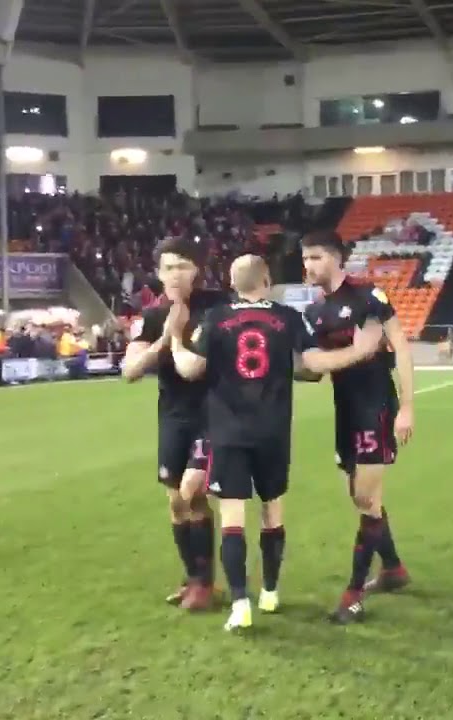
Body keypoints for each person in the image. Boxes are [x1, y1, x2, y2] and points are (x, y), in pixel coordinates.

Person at [170, 254, 384, 631]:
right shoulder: (288, 317)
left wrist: (174, 340)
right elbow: (313, 364)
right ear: (266, 280)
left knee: (232, 517)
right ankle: (270, 591)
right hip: (273, 430)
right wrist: (361, 351)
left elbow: (191, 369)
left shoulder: (216, 318)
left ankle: (240, 603)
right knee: (272, 512)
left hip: (228, 432)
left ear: (234, 283)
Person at [300, 230, 417, 624]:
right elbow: (313, 369)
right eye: (305, 258)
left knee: (367, 499)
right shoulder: (315, 313)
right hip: (345, 412)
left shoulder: (369, 297)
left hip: (377, 408)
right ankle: (394, 569)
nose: (308, 265)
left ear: (335, 257)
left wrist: (407, 408)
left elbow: (400, 346)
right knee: (360, 498)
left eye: (315, 256)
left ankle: (352, 594)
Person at [121, 237, 226, 612]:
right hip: (173, 417)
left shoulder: (218, 308)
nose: (175, 274)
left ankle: (205, 583)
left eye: (182, 265)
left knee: (191, 489)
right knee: (177, 503)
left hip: (213, 414)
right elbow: (130, 371)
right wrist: (165, 338)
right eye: (168, 267)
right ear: (157, 272)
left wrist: (181, 339)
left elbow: (198, 367)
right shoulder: (151, 316)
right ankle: (194, 578)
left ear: (197, 269)